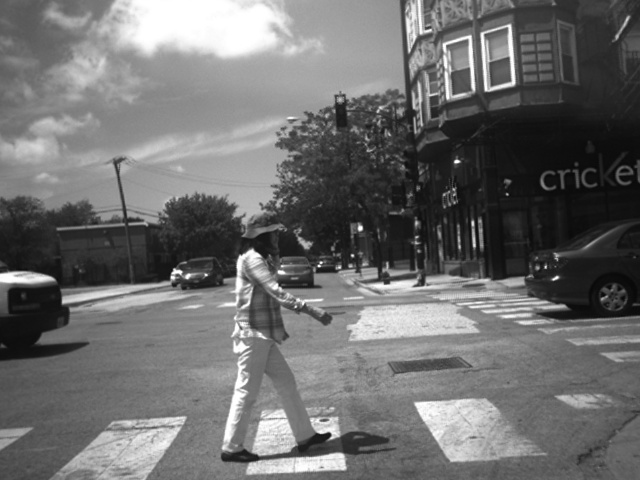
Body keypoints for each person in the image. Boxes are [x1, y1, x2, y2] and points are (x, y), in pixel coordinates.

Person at [221, 213, 333, 463]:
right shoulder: (252, 259)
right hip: (253, 334)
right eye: (273, 233)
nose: (276, 236)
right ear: (262, 236)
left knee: (287, 383)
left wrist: (276, 251)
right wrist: (311, 310)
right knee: (246, 391)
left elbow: (273, 276)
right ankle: (231, 447)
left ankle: (305, 436)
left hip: (264, 334)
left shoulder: (260, 258)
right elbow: (276, 291)